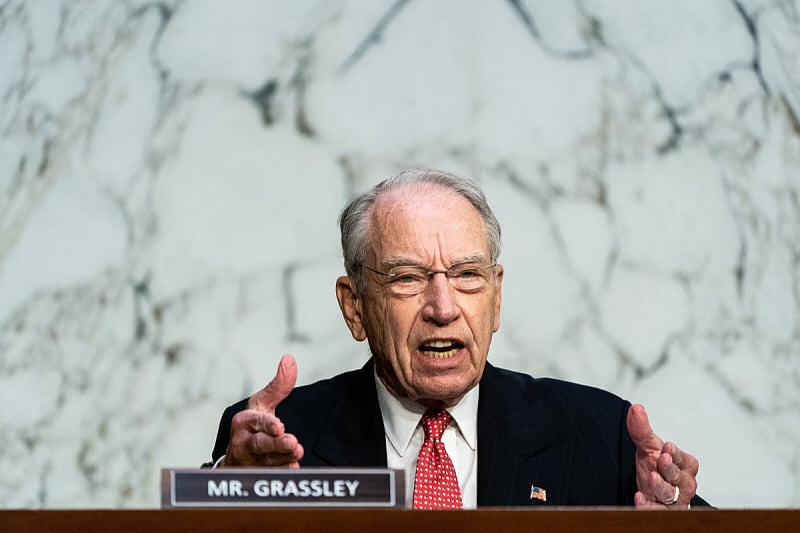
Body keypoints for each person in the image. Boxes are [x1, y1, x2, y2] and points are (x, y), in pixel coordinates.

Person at [207, 168, 707, 508]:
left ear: (496, 298)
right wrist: (230, 499)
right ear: (354, 306)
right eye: (406, 278)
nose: (443, 308)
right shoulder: (272, 443)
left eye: (467, 275)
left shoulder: (601, 436)